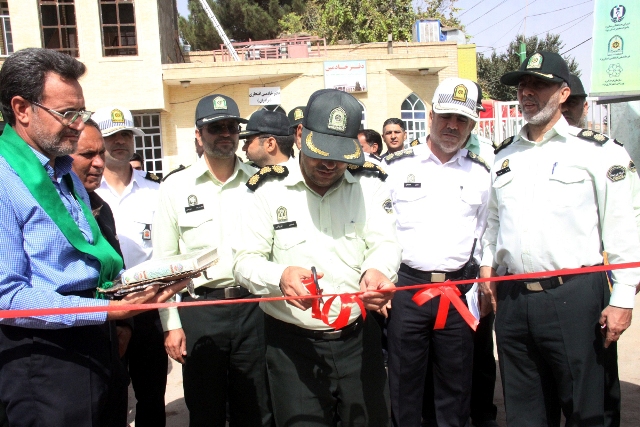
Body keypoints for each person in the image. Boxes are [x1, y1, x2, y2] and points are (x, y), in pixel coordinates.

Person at [0, 47, 183, 427]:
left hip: (97, 341)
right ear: (21, 109)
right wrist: (108, 310)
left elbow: (89, 258)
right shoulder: (5, 181)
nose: (77, 124)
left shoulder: (65, 174)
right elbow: (9, 296)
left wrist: (134, 293)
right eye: (67, 113)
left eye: (81, 112)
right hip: (46, 359)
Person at [480, 51, 640, 426]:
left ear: (564, 92)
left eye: (539, 84)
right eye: (522, 86)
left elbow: (625, 229)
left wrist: (622, 299)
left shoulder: (598, 152)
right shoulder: (504, 156)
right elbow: (493, 220)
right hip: (514, 301)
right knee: (524, 412)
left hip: (575, 297)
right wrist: (488, 266)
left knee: (588, 410)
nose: (526, 92)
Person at [233, 88, 401, 427]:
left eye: (339, 156)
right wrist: (279, 277)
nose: (328, 164)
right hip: (292, 347)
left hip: (358, 339)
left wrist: (377, 270)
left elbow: (385, 243)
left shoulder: (369, 184)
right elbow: (244, 262)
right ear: (299, 135)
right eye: (319, 153)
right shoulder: (266, 189)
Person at [153, 94, 272, 427]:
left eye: (232, 127)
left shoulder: (260, 182)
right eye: (215, 127)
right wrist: (171, 324)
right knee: (206, 411)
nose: (225, 133)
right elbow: (164, 262)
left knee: (256, 409)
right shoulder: (175, 187)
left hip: (254, 308)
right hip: (200, 311)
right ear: (198, 135)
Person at [385, 77, 490, 427]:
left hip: (458, 293)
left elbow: (485, 230)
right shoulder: (396, 167)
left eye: (462, 120)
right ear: (431, 115)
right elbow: (381, 228)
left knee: (455, 387)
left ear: (472, 124)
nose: (453, 126)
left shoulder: (480, 174)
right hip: (407, 289)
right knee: (404, 384)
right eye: (446, 116)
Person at [93, 106, 168, 427]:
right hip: (107, 308)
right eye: (111, 136)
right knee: (110, 396)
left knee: (152, 396)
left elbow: (167, 252)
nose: (119, 142)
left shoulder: (156, 192)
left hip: (148, 307)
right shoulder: (85, 193)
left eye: (126, 135)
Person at [71, 119, 131, 427]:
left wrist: (125, 324)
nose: (98, 163)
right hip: (70, 346)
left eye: (100, 153)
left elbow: (115, 268)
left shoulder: (99, 207)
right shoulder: (50, 208)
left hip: (109, 336)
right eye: (86, 155)